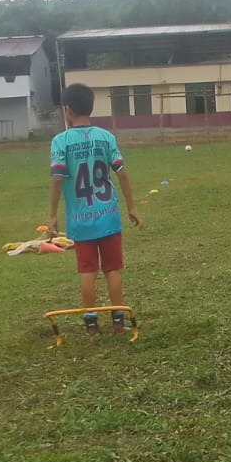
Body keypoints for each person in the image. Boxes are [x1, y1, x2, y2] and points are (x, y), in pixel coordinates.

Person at [47, 83, 143, 336]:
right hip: (108, 216)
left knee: (87, 270)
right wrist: (132, 207)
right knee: (112, 268)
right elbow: (122, 173)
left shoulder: (60, 141)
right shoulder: (106, 137)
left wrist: (52, 215)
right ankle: (118, 321)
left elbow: (57, 178)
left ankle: (91, 323)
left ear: (67, 110)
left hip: (80, 220)